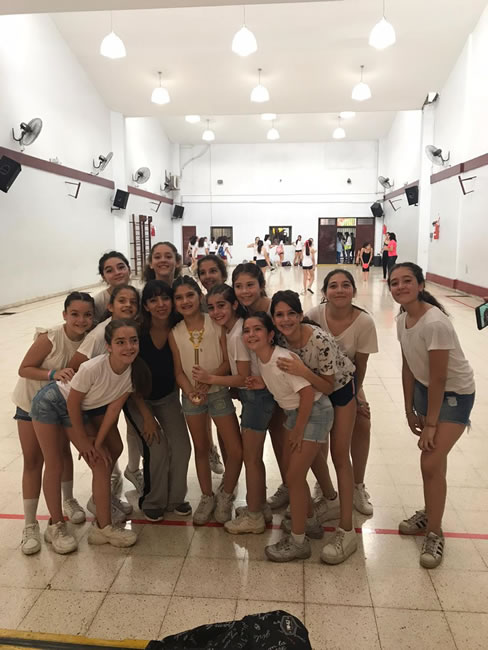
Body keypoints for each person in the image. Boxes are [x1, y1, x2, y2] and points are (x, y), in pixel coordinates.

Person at [30, 319, 148, 553]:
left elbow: (112, 411)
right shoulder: (92, 368)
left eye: (133, 341)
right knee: (54, 463)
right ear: (108, 346)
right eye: (120, 342)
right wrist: (84, 441)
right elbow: (72, 403)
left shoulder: (133, 373)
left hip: (77, 409)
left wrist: (98, 442)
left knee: (101, 461)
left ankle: (102, 529)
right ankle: (55, 526)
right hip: (51, 403)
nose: (128, 347)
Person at [389, 263, 475, 569]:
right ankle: (431, 511)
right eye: (394, 282)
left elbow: (440, 378)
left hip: (454, 395)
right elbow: (408, 366)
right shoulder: (402, 319)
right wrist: (408, 408)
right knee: (436, 463)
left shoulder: (435, 323)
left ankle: (435, 533)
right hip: (426, 391)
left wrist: (431, 424)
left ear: (421, 285)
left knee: (429, 461)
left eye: (407, 281)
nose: (400, 287)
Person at [271, 290, 358, 564]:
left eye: (291, 313)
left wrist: (303, 372)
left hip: (339, 390)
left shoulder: (319, 340)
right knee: (313, 452)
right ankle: (330, 500)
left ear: (300, 315)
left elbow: (328, 385)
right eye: (279, 315)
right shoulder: (280, 338)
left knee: (340, 456)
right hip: (312, 396)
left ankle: (347, 530)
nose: (285, 319)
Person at [242, 312, 334, 562]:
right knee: (293, 474)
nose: (251, 334)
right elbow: (282, 384)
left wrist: (299, 430)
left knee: (293, 477)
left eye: (257, 329)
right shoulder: (263, 358)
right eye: (247, 330)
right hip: (297, 413)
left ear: (270, 335)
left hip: (313, 412)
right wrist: (262, 384)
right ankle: (310, 523)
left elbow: (307, 394)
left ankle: (298, 542)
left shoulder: (282, 359)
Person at [12, 292, 95, 555]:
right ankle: (30, 525)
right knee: (33, 460)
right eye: (75, 314)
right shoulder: (50, 338)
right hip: (29, 405)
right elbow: (24, 368)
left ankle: (68, 500)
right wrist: (52, 373)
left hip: (58, 408)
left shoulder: (90, 341)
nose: (81, 320)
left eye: (87, 315)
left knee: (61, 454)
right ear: (64, 315)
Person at [193, 284, 276, 534]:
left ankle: (253, 515)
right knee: (254, 458)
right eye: (211, 307)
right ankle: (260, 507)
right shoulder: (231, 330)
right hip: (253, 397)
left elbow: (242, 377)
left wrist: (210, 379)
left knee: (251, 459)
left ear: (235, 305)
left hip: (257, 398)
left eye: (222, 305)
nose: (216, 312)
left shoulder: (239, 332)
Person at [169, 276, 243, 526]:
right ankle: (207, 496)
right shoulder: (174, 333)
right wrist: (190, 391)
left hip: (218, 392)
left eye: (190, 295)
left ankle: (226, 494)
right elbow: (179, 371)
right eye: (179, 297)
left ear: (199, 296)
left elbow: (227, 361)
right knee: (201, 448)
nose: (185, 301)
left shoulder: (215, 323)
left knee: (235, 449)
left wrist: (210, 380)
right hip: (192, 398)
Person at [307, 270, 379, 518]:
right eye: (333, 285)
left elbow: (361, 365)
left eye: (345, 285)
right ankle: (324, 484)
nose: (339, 290)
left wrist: (357, 396)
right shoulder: (314, 315)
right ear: (325, 292)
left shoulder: (364, 322)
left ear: (354, 291)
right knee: (320, 427)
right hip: (319, 382)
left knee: (363, 421)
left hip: (349, 381)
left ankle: (358, 485)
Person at [124, 281, 192, 521]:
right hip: (137, 399)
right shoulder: (137, 333)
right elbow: (130, 378)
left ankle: (175, 498)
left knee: (182, 446)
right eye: (153, 300)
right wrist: (147, 417)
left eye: (165, 298)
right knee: (157, 447)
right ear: (145, 306)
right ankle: (152, 500)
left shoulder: (179, 327)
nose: (160, 304)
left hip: (167, 397)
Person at [69, 285, 141, 504]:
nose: (128, 305)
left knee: (114, 447)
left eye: (133, 302)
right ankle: (100, 500)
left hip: (107, 398)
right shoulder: (100, 334)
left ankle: (103, 497)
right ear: (110, 306)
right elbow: (74, 367)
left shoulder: (130, 329)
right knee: (99, 454)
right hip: (87, 402)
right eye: (122, 301)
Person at [231, 263, 288, 509]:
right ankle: (288, 489)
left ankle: (295, 490)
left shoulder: (275, 309)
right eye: (239, 286)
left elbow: (292, 348)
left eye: (250, 285)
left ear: (261, 285)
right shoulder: (242, 312)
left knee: (284, 439)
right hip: (260, 386)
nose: (244, 291)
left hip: (283, 383)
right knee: (273, 437)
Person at [93, 251, 131, 323]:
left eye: (121, 267)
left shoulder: (141, 295)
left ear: (129, 270)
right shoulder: (98, 302)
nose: (117, 273)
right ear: (103, 277)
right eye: (109, 270)